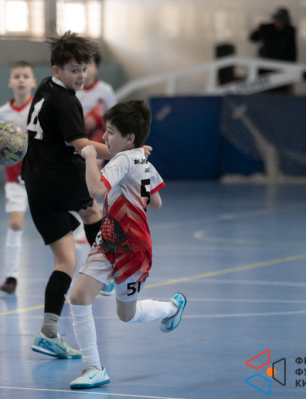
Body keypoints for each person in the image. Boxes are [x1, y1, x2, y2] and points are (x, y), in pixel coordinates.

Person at [23, 31, 151, 359]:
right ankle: (107, 274)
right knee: (93, 212)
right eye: (74, 70)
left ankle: (48, 332)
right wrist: (125, 152)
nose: (81, 76)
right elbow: (81, 146)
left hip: (35, 183)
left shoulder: (44, 87)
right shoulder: (67, 100)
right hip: (60, 177)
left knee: (66, 261)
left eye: (84, 68)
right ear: (57, 70)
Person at [68, 101, 187, 389]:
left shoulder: (123, 160)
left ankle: (171, 308)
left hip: (133, 251)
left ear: (130, 137)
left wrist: (89, 156)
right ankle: (94, 368)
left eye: (110, 132)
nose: (104, 137)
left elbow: (96, 189)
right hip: (108, 240)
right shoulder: (142, 161)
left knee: (126, 315)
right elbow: (156, 202)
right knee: (79, 297)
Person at [0, 61, 37, 294]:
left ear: (33, 82)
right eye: (17, 76)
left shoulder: (40, 108)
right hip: (15, 178)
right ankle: (11, 276)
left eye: (25, 76)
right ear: (10, 82)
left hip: (41, 176)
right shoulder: (3, 112)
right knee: (15, 223)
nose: (21, 80)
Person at [72, 50, 118, 250]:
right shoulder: (73, 89)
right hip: (75, 141)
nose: (85, 69)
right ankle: (85, 222)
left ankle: (89, 226)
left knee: (88, 181)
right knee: (77, 182)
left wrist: (98, 120)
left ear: (96, 68)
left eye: (89, 64)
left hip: (96, 141)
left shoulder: (104, 90)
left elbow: (114, 116)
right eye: (81, 64)